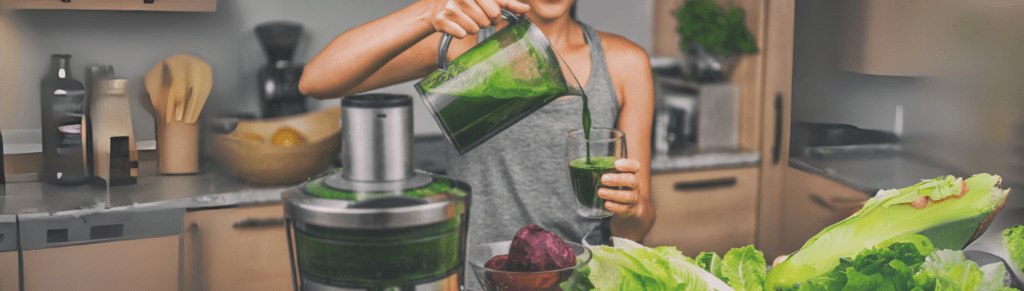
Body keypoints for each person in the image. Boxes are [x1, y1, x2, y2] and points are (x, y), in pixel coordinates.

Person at [299, 0, 654, 264]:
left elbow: (635, 229)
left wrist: (632, 209)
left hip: (583, 278)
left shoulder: (625, 63)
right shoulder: (463, 44)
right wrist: (429, 11)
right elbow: (316, 80)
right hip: (480, 277)